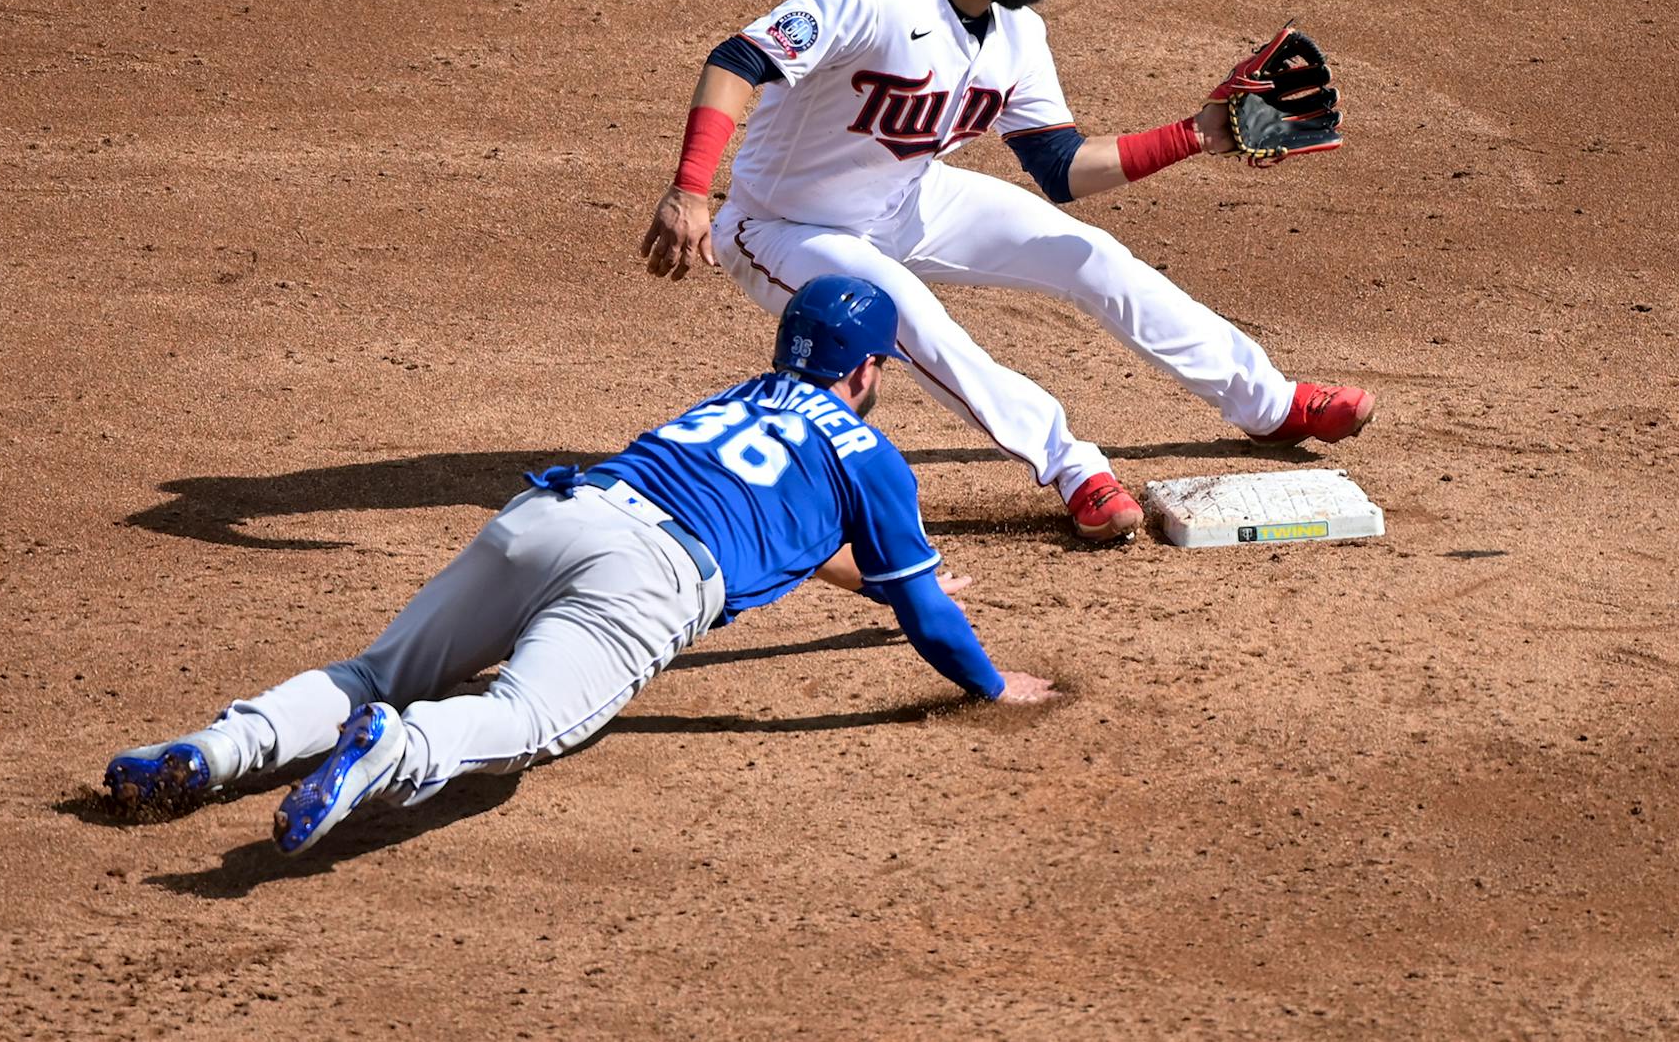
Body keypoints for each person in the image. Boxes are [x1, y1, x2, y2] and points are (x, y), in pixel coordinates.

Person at [103, 276, 1058, 856]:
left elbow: (777, 524)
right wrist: (989, 678)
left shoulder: (739, 397)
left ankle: (211, 752)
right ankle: (394, 749)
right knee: (522, 720)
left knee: (373, 668)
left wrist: (865, 579)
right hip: (647, 575)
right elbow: (927, 618)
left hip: (557, 512)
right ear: (868, 371)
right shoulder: (867, 453)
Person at [640, 0, 1372, 541]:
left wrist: (1195, 134)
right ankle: (1072, 467)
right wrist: (691, 190)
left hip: (904, 198)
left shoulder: (1017, 34)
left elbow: (1061, 166)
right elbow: (738, 58)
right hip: (779, 224)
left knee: (1087, 254)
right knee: (904, 308)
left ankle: (1270, 404)